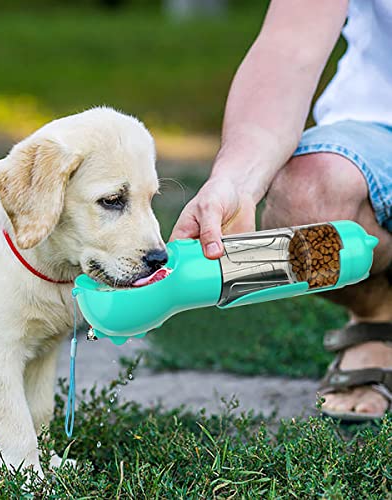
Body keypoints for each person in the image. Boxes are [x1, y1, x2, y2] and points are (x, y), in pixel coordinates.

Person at [171, 0, 392, 420]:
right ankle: (379, 316)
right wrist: (236, 180)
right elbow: (288, 48)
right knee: (307, 202)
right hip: (379, 123)